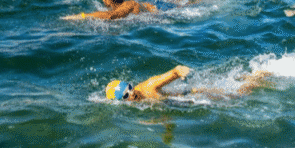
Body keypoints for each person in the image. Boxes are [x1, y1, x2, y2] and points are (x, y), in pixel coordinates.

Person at [106, 65, 270, 102]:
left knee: (239, 96)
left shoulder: (149, 86)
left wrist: (180, 72)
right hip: (185, 99)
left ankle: (259, 76)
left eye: (130, 88)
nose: (132, 93)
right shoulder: (138, 101)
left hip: (194, 94)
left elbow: (174, 72)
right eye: (126, 95)